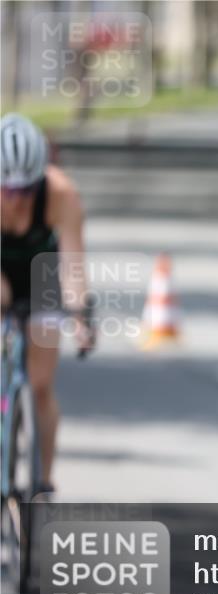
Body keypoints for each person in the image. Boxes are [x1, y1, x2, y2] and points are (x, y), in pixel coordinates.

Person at [1, 113, 94, 494]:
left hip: (43, 274)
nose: (17, 199)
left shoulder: (61, 194)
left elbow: (72, 263)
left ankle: (43, 480)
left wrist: (81, 317)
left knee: (41, 384)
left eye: (27, 190)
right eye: (8, 191)